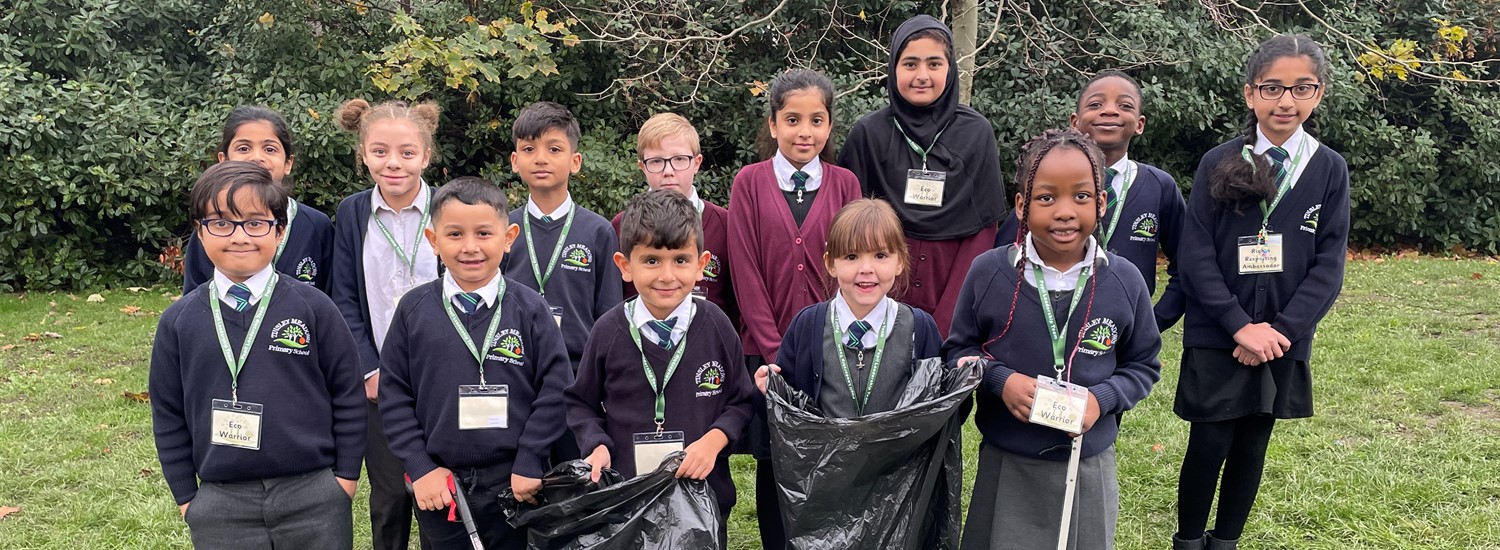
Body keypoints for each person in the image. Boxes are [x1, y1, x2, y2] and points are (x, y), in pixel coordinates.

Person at [945, 129, 1162, 550]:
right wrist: (998, 380)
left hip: (1088, 463)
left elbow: (1143, 365)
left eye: (1081, 197)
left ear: (1101, 203)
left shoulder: (1124, 280)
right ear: (1022, 206)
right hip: (1009, 461)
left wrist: (1102, 398)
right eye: (1046, 198)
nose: (1065, 212)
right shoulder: (988, 272)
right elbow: (958, 350)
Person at [1172, 34, 1348, 550]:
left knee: (1252, 444)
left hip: (1282, 339)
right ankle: (1187, 542)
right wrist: (1239, 326)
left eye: (1302, 88)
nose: (1285, 102)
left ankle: (1226, 541)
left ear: (1318, 95)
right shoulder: (1218, 162)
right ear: (1250, 94)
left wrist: (1279, 331)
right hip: (1218, 334)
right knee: (1208, 442)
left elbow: (1328, 265)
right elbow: (1196, 253)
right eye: (1272, 88)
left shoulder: (1329, 169)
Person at [150, 161, 365, 549]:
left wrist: (344, 479)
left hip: (314, 495)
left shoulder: (314, 308)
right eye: (221, 222)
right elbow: (168, 412)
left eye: (255, 223)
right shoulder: (178, 320)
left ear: (279, 232)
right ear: (199, 232)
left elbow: (348, 395)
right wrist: (187, 498)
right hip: (220, 501)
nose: (239, 236)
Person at [378, 177, 574, 550]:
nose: (470, 247)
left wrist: (531, 459)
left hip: (517, 482)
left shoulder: (530, 308)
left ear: (508, 236)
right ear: (434, 241)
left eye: (484, 233)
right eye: (454, 235)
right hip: (442, 484)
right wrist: (420, 467)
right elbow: (394, 396)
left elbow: (556, 388)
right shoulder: (413, 310)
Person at [566, 189, 757, 546]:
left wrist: (713, 443)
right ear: (625, 265)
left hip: (703, 498)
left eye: (681, 260)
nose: (667, 276)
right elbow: (580, 404)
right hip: (629, 499)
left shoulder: (716, 324)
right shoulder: (607, 330)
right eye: (651, 260)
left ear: (701, 264)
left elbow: (741, 401)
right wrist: (596, 444)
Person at [726, 68, 862, 550]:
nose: (805, 131)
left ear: (829, 126)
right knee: (775, 462)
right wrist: (773, 352)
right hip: (770, 357)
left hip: (833, 352)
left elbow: (855, 262)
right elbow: (744, 270)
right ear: (773, 124)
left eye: (817, 120)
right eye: (792, 119)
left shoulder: (846, 184)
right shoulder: (749, 182)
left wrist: (832, 342)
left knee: (831, 459)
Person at [838, 14, 1007, 337]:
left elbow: (983, 227)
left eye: (934, 64)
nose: (922, 75)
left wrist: (950, 316)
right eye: (910, 64)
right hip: (876, 287)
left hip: (952, 285)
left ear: (950, 68)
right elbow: (849, 226)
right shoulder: (869, 134)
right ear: (893, 69)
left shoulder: (975, 133)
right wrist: (868, 300)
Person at [330, 98, 442, 550]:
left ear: (426, 156)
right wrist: (368, 370)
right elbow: (344, 297)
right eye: (380, 152)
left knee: (441, 494)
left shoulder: (451, 208)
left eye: (407, 153)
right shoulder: (353, 214)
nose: (393, 163)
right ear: (363, 154)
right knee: (391, 495)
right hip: (380, 386)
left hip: (441, 378)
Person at [998, 71, 1187, 329]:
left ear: (1140, 124)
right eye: (1096, 104)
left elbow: (1186, 264)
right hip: (1047, 323)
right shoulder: (1044, 179)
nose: (1109, 111)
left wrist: (1152, 322)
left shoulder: (1159, 186)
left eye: (1124, 105)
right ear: (1074, 122)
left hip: (1123, 327)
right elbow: (1006, 252)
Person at [754, 198, 942, 417]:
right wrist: (767, 391)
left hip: (901, 452)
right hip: (824, 451)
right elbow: (784, 412)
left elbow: (940, 409)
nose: (866, 269)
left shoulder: (918, 328)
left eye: (880, 256)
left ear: (899, 261)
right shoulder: (808, 325)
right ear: (830, 264)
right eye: (851, 256)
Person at [183, 105, 334, 293]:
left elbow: (330, 299)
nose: (257, 157)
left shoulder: (317, 226)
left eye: (270, 149)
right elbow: (193, 300)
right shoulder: (213, 226)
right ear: (224, 160)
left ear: (288, 163)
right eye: (244, 148)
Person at [610, 113, 737, 326]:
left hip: (710, 345)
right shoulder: (621, 226)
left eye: (679, 159)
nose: (668, 171)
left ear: (697, 163)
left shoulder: (726, 224)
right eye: (657, 161)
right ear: (642, 167)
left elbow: (736, 302)